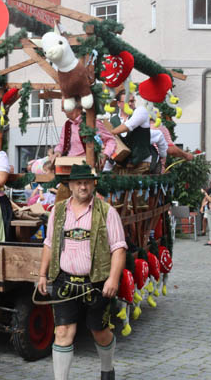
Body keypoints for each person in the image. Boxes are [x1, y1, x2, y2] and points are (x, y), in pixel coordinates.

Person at [37, 164, 127, 380]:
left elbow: (119, 248)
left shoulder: (107, 212)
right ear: (70, 185)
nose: (83, 186)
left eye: (87, 182)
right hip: (64, 280)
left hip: (96, 282)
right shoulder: (58, 211)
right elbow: (49, 244)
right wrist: (42, 274)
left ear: (93, 184)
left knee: (100, 332)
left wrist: (113, 279)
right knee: (62, 332)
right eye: (78, 182)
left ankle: (107, 369)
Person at [51, 105, 117, 169]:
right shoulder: (67, 124)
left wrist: (105, 155)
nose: (62, 110)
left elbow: (110, 140)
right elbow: (61, 144)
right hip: (68, 165)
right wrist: (57, 151)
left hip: (87, 166)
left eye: (64, 107)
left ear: (74, 107)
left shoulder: (92, 122)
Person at [110, 92, 153, 175]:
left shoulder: (141, 112)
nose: (130, 103)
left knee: (138, 188)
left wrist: (110, 133)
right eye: (127, 101)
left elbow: (129, 126)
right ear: (118, 104)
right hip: (122, 166)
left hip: (141, 165)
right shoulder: (112, 119)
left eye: (132, 101)